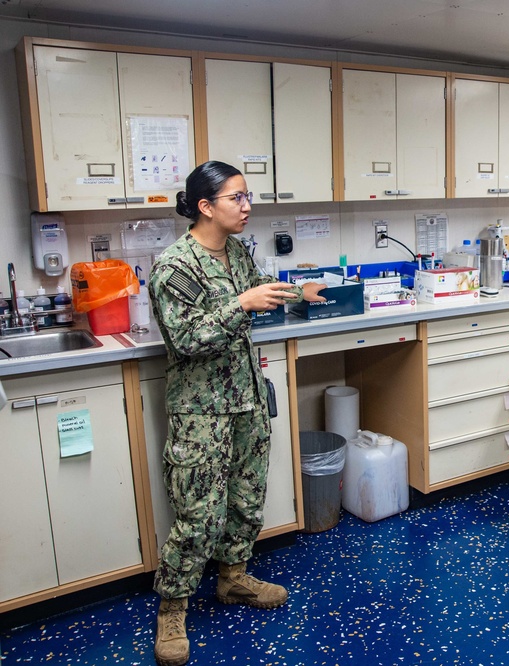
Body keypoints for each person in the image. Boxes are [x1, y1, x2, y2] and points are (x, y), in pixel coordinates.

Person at [149, 160, 325, 666]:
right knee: (197, 515)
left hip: (247, 400)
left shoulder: (236, 253)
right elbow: (184, 340)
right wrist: (241, 305)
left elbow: (260, 284)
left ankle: (233, 579)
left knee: (247, 497)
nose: (247, 207)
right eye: (236, 198)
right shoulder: (174, 267)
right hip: (201, 412)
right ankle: (173, 609)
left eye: (248, 197)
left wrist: (298, 291)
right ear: (205, 207)